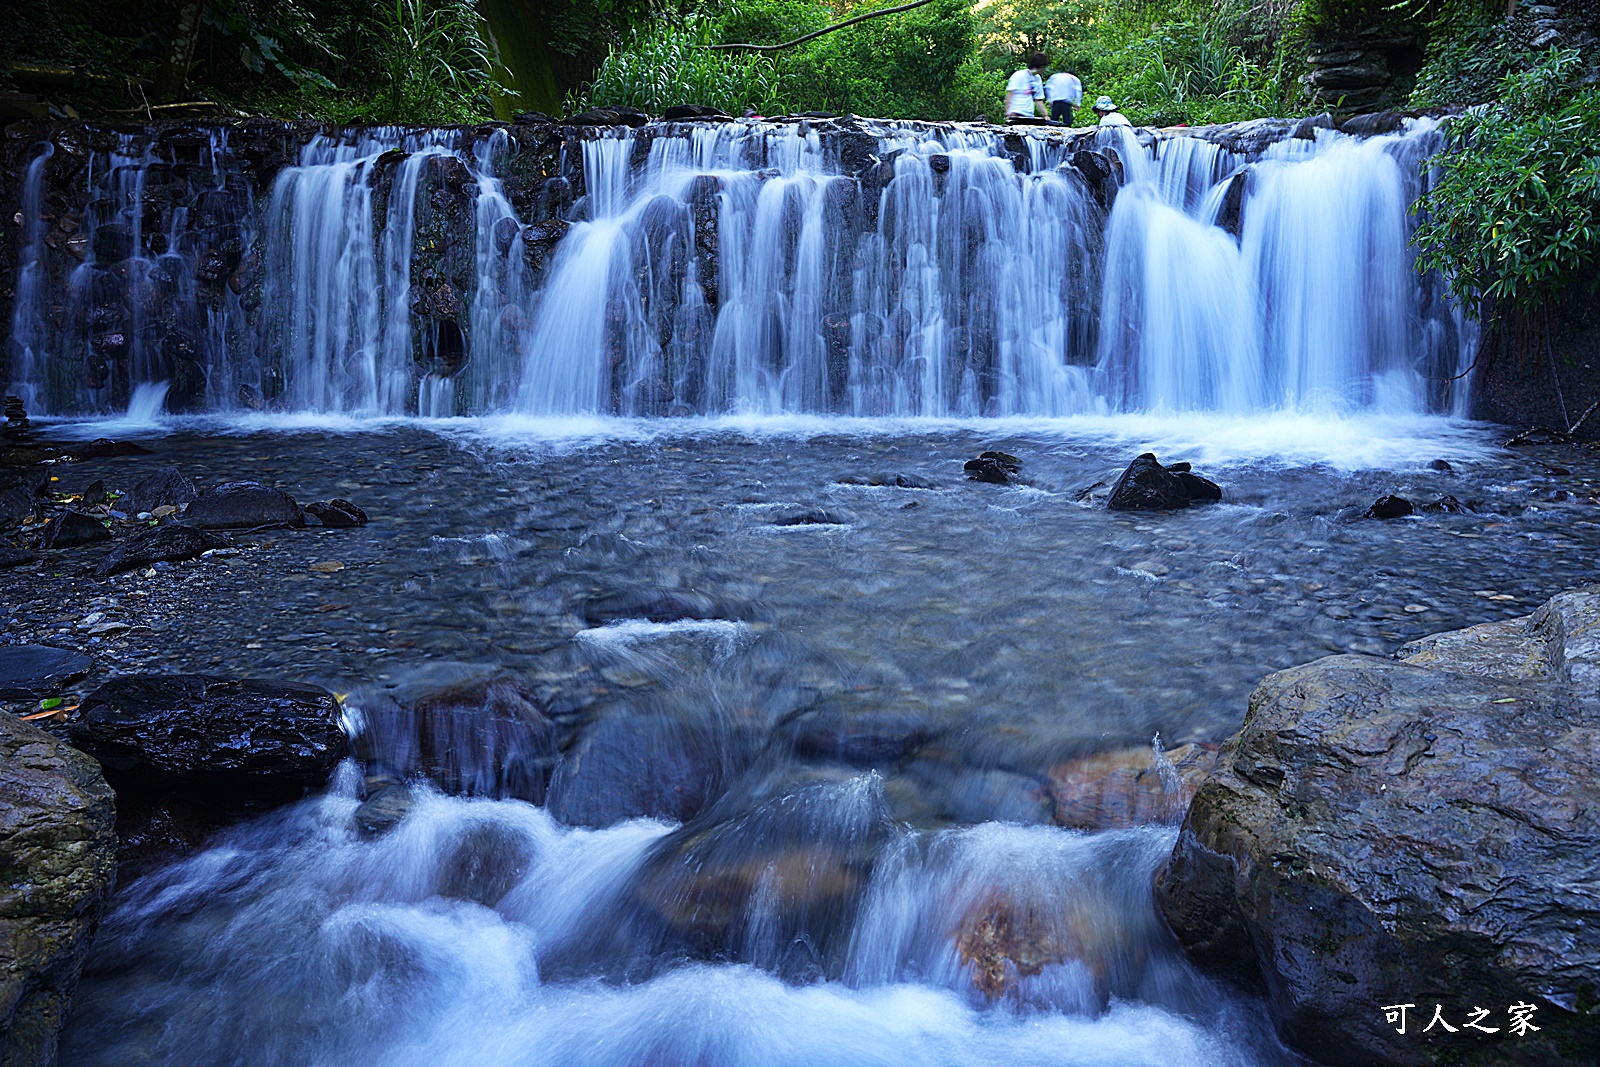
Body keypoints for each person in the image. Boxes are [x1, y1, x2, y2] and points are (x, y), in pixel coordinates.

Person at [1004, 52, 1048, 123]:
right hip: (1016, 113)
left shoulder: (1037, 79)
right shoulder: (1019, 75)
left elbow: (1038, 99)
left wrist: (1045, 115)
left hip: (1028, 114)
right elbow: (1010, 94)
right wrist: (1008, 111)